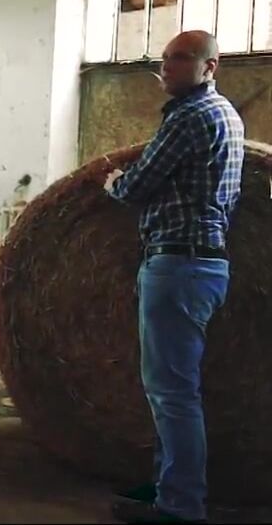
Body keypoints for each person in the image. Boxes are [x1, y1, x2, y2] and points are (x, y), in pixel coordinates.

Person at [104, 30, 245, 524]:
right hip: (205, 264)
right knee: (174, 389)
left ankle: (181, 505)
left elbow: (136, 186)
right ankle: (169, 482)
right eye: (165, 58)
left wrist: (114, 181)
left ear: (210, 66)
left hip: (178, 265)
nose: (167, 66)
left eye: (181, 58)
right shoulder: (227, 114)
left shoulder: (189, 116)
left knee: (172, 393)